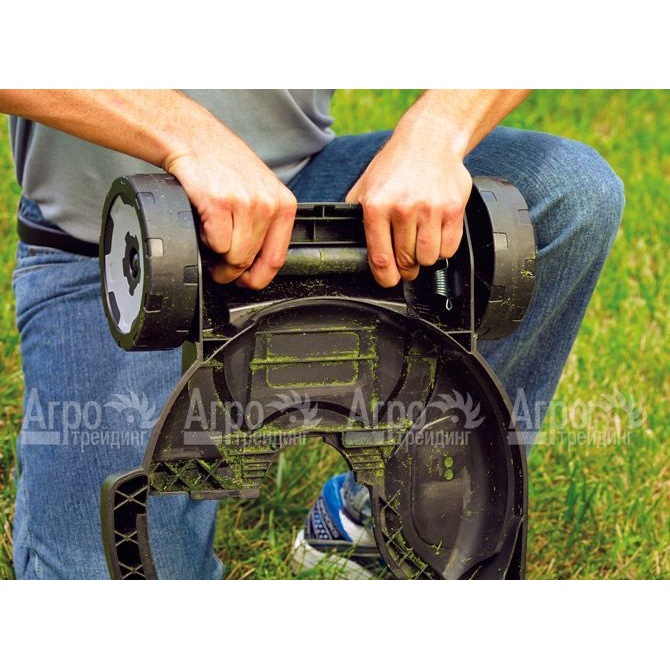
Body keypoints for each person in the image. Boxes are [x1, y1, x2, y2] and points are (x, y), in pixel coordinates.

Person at [1, 90, 624, 579]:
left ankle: (376, 517)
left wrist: (436, 134)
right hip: (112, 243)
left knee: (565, 193)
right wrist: (188, 138)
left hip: (304, 194)